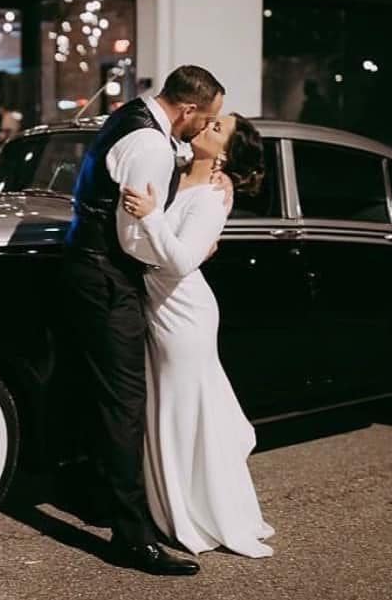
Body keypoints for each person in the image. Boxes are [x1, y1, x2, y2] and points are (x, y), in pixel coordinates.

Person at [62, 65, 227, 576]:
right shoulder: (153, 145)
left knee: (106, 396)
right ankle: (131, 537)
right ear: (189, 109)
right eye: (208, 119)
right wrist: (175, 243)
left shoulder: (130, 120)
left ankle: (102, 500)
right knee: (125, 404)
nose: (205, 131)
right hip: (110, 277)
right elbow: (135, 239)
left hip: (88, 268)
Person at [121, 113, 276, 558]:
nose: (207, 124)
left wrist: (151, 218)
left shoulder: (212, 196)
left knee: (180, 415)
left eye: (217, 128)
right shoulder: (175, 167)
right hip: (158, 304)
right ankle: (173, 507)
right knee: (174, 412)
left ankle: (187, 516)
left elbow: (183, 261)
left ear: (224, 154)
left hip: (184, 314)